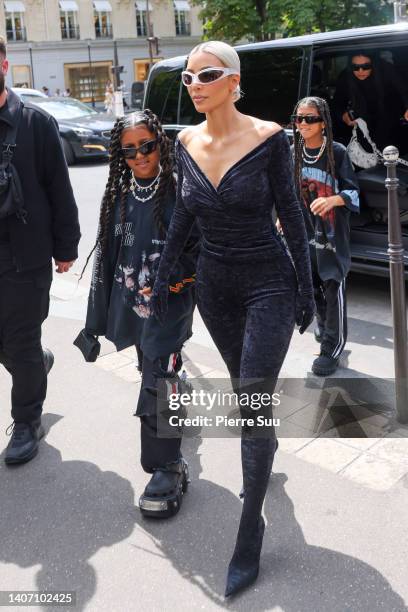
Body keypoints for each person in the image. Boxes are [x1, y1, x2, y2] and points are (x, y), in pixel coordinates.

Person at [150, 41, 314, 597]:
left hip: (269, 282)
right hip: (214, 288)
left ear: (233, 81)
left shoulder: (270, 139)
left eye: (208, 74)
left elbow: (291, 215)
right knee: (254, 404)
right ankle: (263, 464)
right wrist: (163, 274)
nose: (195, 84)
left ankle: (250, 533)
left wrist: (307, 284)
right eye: (190, 76)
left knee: (251, 404)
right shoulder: (184, 141)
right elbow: (181, 221)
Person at [81, 109, 199, 518]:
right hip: (133, 306)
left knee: (156, 382)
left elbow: (201, 249)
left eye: (146, 146)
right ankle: (174, 391)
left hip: (171, 306)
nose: (139, 156)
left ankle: (167, 466)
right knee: (154, 368)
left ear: (160, 143)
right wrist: (93, 324)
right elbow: (106, 259)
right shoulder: (118, 194)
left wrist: (175, 278)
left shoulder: (181, 188)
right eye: (129, 151)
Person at [0, 37, 81, 465]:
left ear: (5, 65)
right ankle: (35, 363)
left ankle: (28, 421)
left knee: (20, 338)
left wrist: (65, 247)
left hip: (24, 256)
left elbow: (59, 190)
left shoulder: (35, 122)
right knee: (18, 348)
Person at [289, 96, 360, 376]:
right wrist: (283, 217)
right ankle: (325, 329)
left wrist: (332, 200)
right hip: (305, 232)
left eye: (310, 118)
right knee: (314, 283)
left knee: (333, 284)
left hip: (331, 232)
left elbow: (353, 192)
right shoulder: (292, 151)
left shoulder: (337, 152)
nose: (303, 124)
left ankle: (332, 348)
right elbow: (286, 192)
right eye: (299, 118)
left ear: (323, 123)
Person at [333, 52, 408, 154]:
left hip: (390, 119)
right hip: (362, 123)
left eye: (366, 66)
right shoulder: (346, 76)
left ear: (373, 63)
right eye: (355, 67)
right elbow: (337, 102)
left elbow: (404, 90)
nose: (360, 71)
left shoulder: (386, 70)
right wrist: (343, 116)